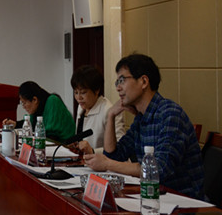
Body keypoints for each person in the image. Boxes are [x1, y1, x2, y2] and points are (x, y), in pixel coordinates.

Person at [84, 54, 205, 199]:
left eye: (122, 80)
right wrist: (110, 116)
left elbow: (159, 170)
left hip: (184, 202)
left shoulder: (170, 114)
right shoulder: (141, 118)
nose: (118, 88)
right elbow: (114, 155)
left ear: (143, 81)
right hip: (153, 196)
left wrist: (107, 164)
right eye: (117, 82)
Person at [70, 65, 125, 154]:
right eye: (76, 92)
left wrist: (93, 151)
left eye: (83, 92)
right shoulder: (81, 106)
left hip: (102, 161)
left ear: (96, 90)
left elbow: (119, 146)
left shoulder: (109, 110)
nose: (78, 98)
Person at [4, 81, 75, 142]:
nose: (23, 106)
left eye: (24, 102)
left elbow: (52, 135)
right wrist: (15, 124)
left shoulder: (53, 101)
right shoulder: (37, 108)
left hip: (65, 145)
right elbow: (30, 123)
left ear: (35, 100)